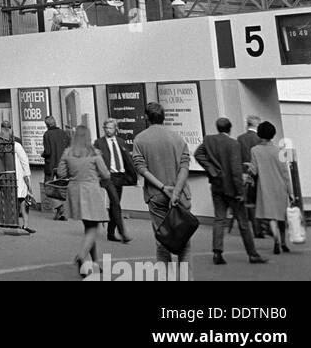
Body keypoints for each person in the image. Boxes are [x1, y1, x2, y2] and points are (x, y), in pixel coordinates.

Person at [194, 117, 265, 266]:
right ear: (229, 128)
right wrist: (240, 191)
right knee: (243, 223)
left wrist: (212, 170)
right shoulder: (233, 144)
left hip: (217, 186)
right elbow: (235, 170)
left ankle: (217, 252)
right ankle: (252, 254)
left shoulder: (208, 140)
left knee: (219, 219)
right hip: (232, 189)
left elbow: (198, 154)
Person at [131, 101, 192, 265]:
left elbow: (141, 168)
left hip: (156, 195)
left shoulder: (140, 139)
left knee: (162, 241)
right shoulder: (177, 138)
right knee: (184, 243)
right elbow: (185, 166)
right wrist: (176, 192)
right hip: (180, 196)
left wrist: (163, 187)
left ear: (146, 117)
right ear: (163, 117)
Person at [56, 124, 110, 276]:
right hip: (91, 191)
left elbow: (60, 173)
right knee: (94, 228)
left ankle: (95, 263)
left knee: (88, 227)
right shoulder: (94, 153)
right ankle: (81, 256)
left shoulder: (68, 152)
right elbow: (105, 174)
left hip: (74, 191)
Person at [247, 121, 294, 256]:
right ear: (273, 134)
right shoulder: (280, 151)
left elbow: (254, 171)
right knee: (281, 217)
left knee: (272, 217)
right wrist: (290, 192)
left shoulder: (255, 150)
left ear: (260, 134)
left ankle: (277, 241)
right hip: (281, 187)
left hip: (265, 187)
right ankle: (284, 242)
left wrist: (248, 166)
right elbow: (286, 173)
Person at [94, 117, 136, 243]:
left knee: (114, 205)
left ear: (116, 129)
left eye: (111, 127)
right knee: (116, 203)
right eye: (106, 128)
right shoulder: (99, 143)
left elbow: (127, 159)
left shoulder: (121, 142)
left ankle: (110, 233)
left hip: (120, 176)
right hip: (108, 177)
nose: (108, 130)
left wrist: (134, 176)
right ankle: (123, 232)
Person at [0, 120, 34, 232]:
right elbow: (25, 161)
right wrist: (28, 178)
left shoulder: (8, 144)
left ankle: (19, 224)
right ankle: (23, 224)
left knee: (18, 202)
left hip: (13, 178)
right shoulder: (15, 144)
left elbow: (24, 162)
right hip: (17, 177)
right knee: (21, 202)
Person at [238, 116, 267, 237]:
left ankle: (255, 228)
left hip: (244, 172)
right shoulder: (260, 139)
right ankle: (261, 227)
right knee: (259, 200)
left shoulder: (240, 138)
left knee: (249, 202)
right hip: (258, 172)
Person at [41, 116, 70, 220]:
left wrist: (43, 154)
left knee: (48, 187)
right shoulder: (63, 133)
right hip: (63, 165)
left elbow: (48, 151)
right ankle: (63, 212)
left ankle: (59, 207)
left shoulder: (47, 134)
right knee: (62, 188)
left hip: (51, 165)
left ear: (47, 124)